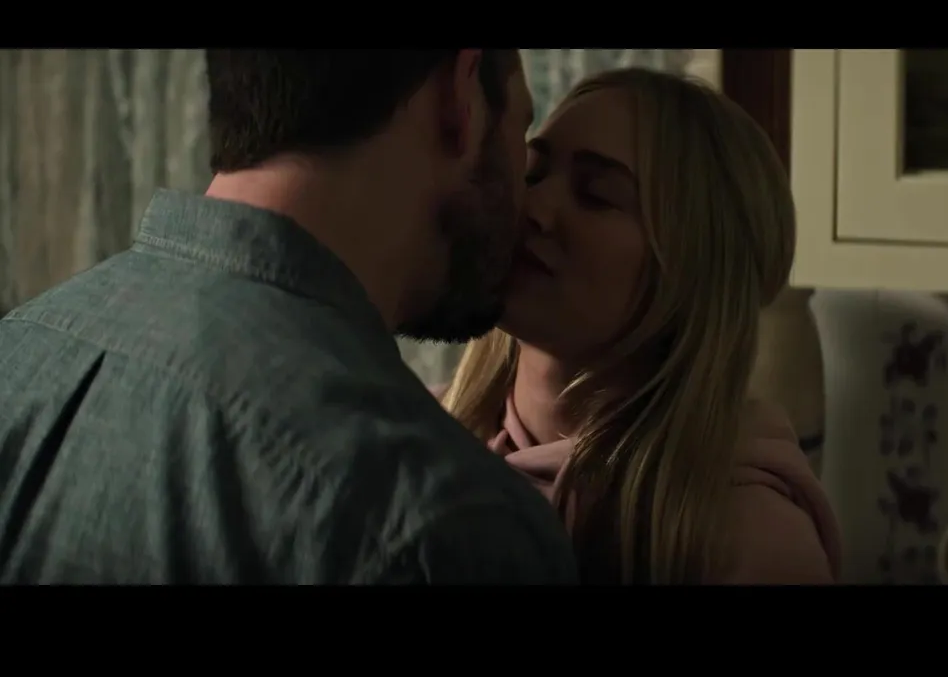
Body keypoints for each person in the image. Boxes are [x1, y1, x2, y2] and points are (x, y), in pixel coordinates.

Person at [0, 50, 579, 584]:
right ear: (462, 96)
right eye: (522, 130)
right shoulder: (446, 522)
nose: (532, 203)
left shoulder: (19, 352)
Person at [439, 68, 842, 584]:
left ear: (691, 269)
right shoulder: (412, 434)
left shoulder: (749, 539)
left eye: (596, 194)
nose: (533, 208)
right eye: (533, 174)